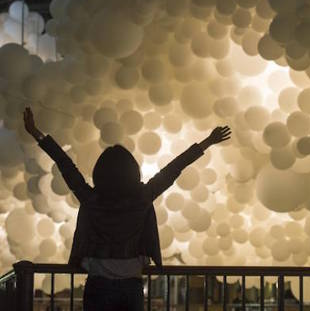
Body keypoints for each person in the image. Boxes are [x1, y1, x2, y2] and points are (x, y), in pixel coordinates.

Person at [24, 107, 230, 311]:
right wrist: (208, 141)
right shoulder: (142, 199)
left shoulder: (91, 199)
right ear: (133, 171)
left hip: (98, 284)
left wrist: (36, 132)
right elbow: (174, 168)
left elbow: (64, 163)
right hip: (131, 285)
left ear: (100, 172)